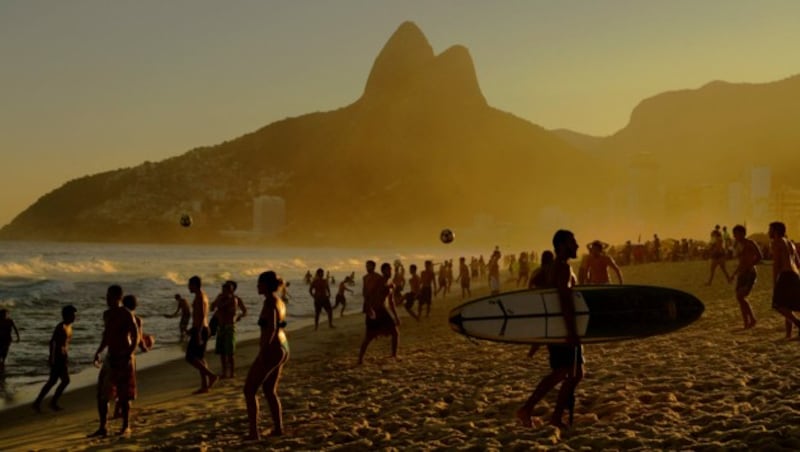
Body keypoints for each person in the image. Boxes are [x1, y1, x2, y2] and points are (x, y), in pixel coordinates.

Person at [517, 229, 583, 430]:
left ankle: (552, 416)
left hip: (558, 328)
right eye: (573, 242)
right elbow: (563, 300)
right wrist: (571, 331)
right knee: (566, 372)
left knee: (572, 373)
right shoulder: (562, 268)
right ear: (562, 246)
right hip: (562, 328)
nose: (577, 245)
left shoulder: (554, 268)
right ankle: (527, 409)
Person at [89, 285, 140, 438]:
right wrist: (98, 351)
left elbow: (136, 335)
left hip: (124, 358)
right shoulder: (107, 314)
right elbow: (107, 335)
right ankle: (103, 426)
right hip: (111, 357)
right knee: (102, 394)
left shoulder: (126, 313)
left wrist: (129, 353)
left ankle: (126, 426)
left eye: (109, 296)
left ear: (118, 297)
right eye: (106, 295)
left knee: (124, 395)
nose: (107, 299)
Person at [244, 271, 289, 440]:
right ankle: (278, 428)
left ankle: (253, 433)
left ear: (267, 285)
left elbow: (270, 328)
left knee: (249, 390)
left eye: (259, 283)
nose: (257, 285)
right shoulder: (280, 301)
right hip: (283, 346)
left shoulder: (270, 302)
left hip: (272, 348)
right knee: (269, 390)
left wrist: (263, 351)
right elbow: (279, 326)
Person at [33, 305, 77, 412]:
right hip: (57, 358)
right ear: (66, 315)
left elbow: (65, 344)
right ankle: (49, 402)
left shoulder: (69, 326)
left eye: (74, 315)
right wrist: (51, 357)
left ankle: (40, 402)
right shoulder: (60, 327)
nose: (74, 317)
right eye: (72, 315)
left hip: (63, 357)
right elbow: (52, 343)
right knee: (62, 381)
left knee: (54, 381)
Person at [179, 276, 218, 394]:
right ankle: (204, 385)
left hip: (201, 329)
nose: (188, 287)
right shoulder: (202, 296)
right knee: (200, 358)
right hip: (202, 328)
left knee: (190, 357)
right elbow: (200, 317)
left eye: (189, 285)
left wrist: (198, 332)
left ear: (195, 285)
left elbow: (201, 316)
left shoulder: (200, 297)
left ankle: (211, 376)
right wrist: (193, 329)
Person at [358, 263, 401, 364]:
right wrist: (369, 309)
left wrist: (396, 316)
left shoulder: (390, 284)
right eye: (387, 270)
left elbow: (391, 302)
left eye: (390, 270)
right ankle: (360, 359)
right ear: (383, 271)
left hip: (383, 310)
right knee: (369, 337)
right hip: (375, 310)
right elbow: (369, 295)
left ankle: (394, 355)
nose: (389, 272)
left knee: (395, 332)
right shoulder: (378, 281)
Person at [768, 222, 800, 338]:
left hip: (786, 275)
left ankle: (798, 323)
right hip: (795, 275)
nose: (768, 232)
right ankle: (788, 335)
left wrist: (774, 282)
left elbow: (776, 264)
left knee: (778, 305)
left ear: (775, 231)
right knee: (789, 305)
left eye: (770, 230)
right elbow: (798, 262)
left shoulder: (776, 242)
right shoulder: (790, 243)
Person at [211, 280, 247, 379]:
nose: (224, 291)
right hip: (221, 326)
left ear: (232, 290)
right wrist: (216, 302)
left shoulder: (235, 299)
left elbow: (244, 311)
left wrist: (238, 317)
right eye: (223, 289)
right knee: (222, 352)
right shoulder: (220, 298)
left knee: (230, 352)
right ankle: (224, 372)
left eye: (227, 290)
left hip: (230, 326)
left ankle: (231, 373)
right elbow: (212, 308)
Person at [728, 225, 761, 329]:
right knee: (739, 298)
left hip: (750, 273)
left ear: (742, 233)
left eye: (736, 233)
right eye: (734, 234)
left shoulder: (750, 243)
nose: (735, 236)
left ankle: (752, 319)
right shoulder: (737, 245)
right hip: (742, 273)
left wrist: (752, 264)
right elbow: (741, 262)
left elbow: (760, 256)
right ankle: (747, 322)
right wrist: (734, 274)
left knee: (741, 296)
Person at [0, 309, 20, 376]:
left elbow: (15, 329)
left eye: (5, 314)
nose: (4, 315)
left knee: (5, 352)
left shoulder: (10, 321)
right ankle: (2, 364)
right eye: (2, 314)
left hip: (7, 339)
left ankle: (3, 364)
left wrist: (18, 337)